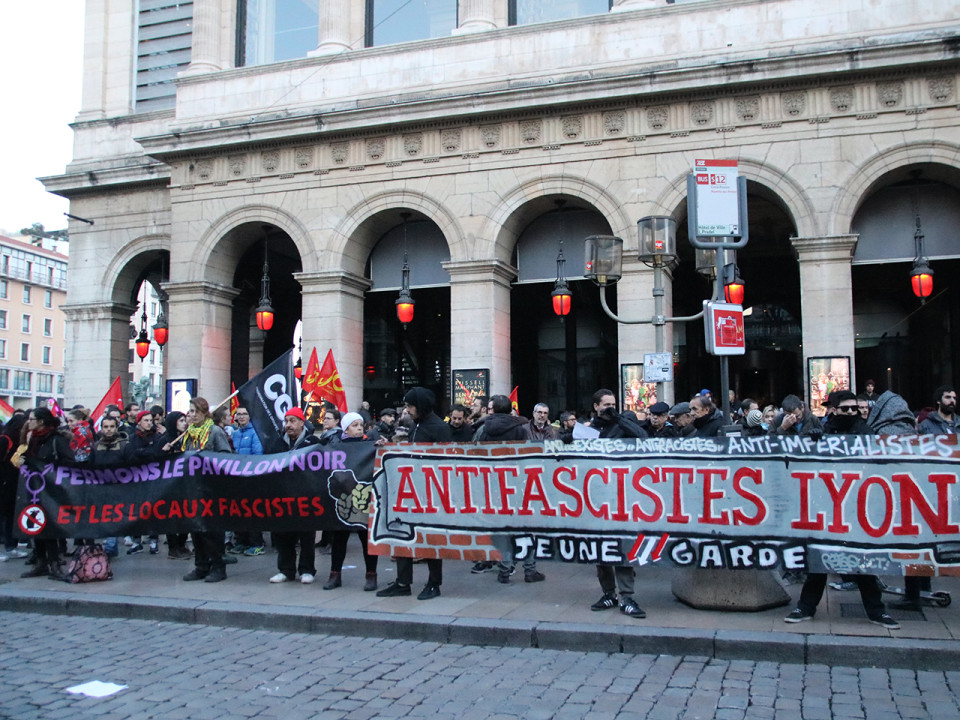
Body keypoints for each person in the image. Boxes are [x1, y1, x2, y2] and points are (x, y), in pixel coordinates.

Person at [785, 390, 900, 630]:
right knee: (819, 560)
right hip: (827, 506)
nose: (851, 413)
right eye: (845, 408)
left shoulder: (866, 432)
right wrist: (813, 440)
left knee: (862, 560)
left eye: (854, 409)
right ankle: (805, 607)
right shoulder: (824, 431)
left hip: (857, 507)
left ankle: (876, 611)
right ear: (834, 409)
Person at [377, 386, 451, 600]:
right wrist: (390, 446)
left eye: (410, 405)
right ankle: (402, 581)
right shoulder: (416, 426)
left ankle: (434, 582)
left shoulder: (438, 428)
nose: (407, 410)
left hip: (431, 493)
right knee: (402, 534)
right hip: (411, 491)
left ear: (422, 406)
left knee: (432, 538)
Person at [587, 389, 646, 619]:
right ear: (596, 407)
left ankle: (627, 595)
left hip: (622, 495)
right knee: (601, 548)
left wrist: (619, 418)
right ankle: (608, 593)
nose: (609, 407)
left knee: (622, 546)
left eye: (613, 403)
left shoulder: (623, 424)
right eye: (605, 404)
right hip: (596, 496)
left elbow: (643, 438)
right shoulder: (590, 429)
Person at [323, 412, 379, 591]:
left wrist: (382, 447)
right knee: (339, 538)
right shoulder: (336, 445)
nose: (359, 428)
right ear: (346, 428)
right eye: (354, 425)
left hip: (364, 500)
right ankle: (335, 574)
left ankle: (371, 574)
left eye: (360, 424)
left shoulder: (369, 444)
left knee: (366, 538)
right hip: (343, 499)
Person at [181, 397, 233, 583]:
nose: (191, 415)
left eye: (195, 411)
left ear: (204, 413)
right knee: (196, 529)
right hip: (193, 487)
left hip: (211, 488)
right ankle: (201, 565)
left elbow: (226, 457)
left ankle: (218, 566)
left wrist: (205, 459)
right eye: (190, 411)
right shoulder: (189, 434)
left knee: (212, 530)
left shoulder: (214, 432)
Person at [19, 407, 75, 579]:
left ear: (41, 421)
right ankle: (41, 562)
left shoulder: (56, 440)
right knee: (36, 525)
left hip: (52, 492)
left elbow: (69, 462)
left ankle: (54, 562)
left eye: (32, 419)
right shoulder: (33, 440)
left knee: (50, 527)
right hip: (35, 491)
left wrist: (50, 468)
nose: (29, 422)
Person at [267, 408, 320, 585]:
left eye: (292, 421)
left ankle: (306, 569)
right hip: (283, 496)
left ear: (301, 422)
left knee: (306, 535)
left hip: (306, 496)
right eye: (286, 421)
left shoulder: (312, 442)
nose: (288, 425)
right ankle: (285, 569)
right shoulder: (277, 443)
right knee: (283, 535)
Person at [231, 406, 266, 556]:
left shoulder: (255, 433)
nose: (242, 417)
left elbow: (257, 454)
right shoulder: (235, 434)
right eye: (239, 414)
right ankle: (241, 541)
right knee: (238, 511)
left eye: (245, 414)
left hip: (250, 478)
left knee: (252, 512)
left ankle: (256, 543)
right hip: (236, 478)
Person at [161, 411, 192, 559]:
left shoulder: (185, 439)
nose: (184, 423)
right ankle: (173, 548)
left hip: (183, 484)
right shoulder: (166, 440)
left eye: (185, 420)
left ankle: (181, 544)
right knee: (172, 518)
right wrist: (164, 452)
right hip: (169, 486)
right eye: (180, 421)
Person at [0, 412, 28, 561]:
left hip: (14, 483)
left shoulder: (22, 443)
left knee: (11, 515)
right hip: (4, 482)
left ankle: (11, 546)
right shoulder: (5, 440)